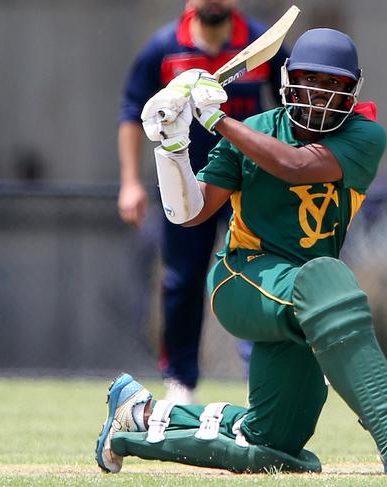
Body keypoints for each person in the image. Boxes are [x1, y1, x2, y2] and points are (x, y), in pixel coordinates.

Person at [97, 28, 387, 475]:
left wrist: (218, 120)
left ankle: (137, 417)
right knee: (327, 276)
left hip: (306, 302)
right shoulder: (254, 130)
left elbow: (296, 165)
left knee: (274, 445)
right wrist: (173, 147)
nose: (320, 95)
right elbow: (190, 213)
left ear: (352, 90)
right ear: (289, 80)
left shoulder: (364, 135)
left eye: (334, 85)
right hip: (244, 280)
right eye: (311, 80)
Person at [117, 0, 288, 403]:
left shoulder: (260, 46)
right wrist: (129, 182)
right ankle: (181, 381)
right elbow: (131, 111)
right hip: (185, 184)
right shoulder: (164, 47)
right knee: (182, 280)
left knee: (256, 275)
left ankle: (259, 375)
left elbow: (289, 108)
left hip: (246, 184)